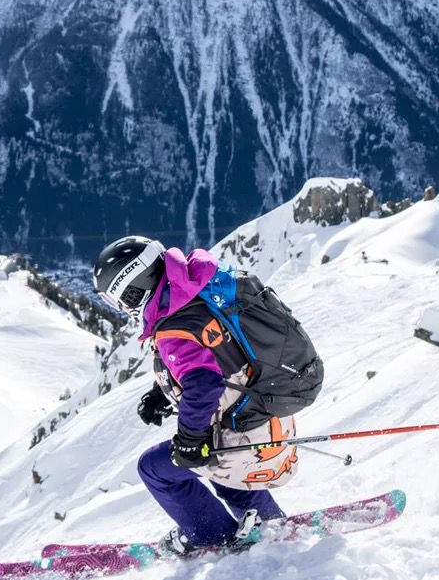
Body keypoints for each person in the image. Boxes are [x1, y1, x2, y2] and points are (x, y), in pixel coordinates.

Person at [93, 236, 300, 556]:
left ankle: (209, 534)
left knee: (154, 467)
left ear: (132, 287)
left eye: (117, 299)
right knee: (219, 466)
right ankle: (267, 522)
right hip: (270, 420)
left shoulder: (173, 322)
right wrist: (162, 390)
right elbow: (217, 355)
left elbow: (203, 382)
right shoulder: (195, 291)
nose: (121, 308)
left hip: (247, 437)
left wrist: (190, 439)